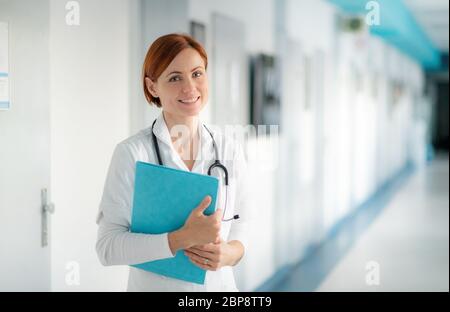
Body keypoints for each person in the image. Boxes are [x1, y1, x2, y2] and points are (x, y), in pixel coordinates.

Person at [95, 33, 250, 291]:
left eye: (197, 74)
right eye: (175, 77)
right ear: (153, 86)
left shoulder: (228, 148)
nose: (189, 87)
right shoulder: (132, 153)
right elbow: (107, 248)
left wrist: (231, 253)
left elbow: (244, 222)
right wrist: (179, 239)